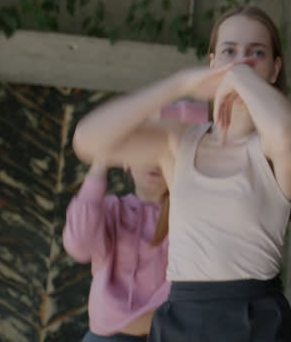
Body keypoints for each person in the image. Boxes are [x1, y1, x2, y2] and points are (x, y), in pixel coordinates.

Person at [72, 6, 291, 342]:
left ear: (275, 69)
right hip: (182, 318)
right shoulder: (179, 140)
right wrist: (179, 83)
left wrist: (238, 75)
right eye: (229, 51)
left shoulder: (271, 147)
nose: (241, 61)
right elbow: (88, 141)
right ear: (211, 61)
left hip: (257, 320)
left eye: (257, 53)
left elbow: (286, 133)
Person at [63, 102, 207, 342]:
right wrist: (100, 164)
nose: (155, 160)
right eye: (145, 149)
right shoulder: (111, 209)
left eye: (165, 151)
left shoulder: (192, 213)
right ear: (127, 163)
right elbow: (79, 245)